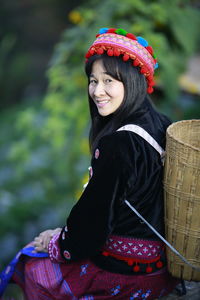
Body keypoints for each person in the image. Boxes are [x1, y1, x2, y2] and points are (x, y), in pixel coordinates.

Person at [2, 27, 180, 299]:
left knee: (32, 267)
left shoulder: (118, 145)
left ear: (132, 82)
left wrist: (57, 242)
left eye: (109, 81)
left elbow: (92, 224)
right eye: (93, 80)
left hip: (126, 274)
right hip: (159, 268)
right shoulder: (162, 124)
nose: (97, 91)